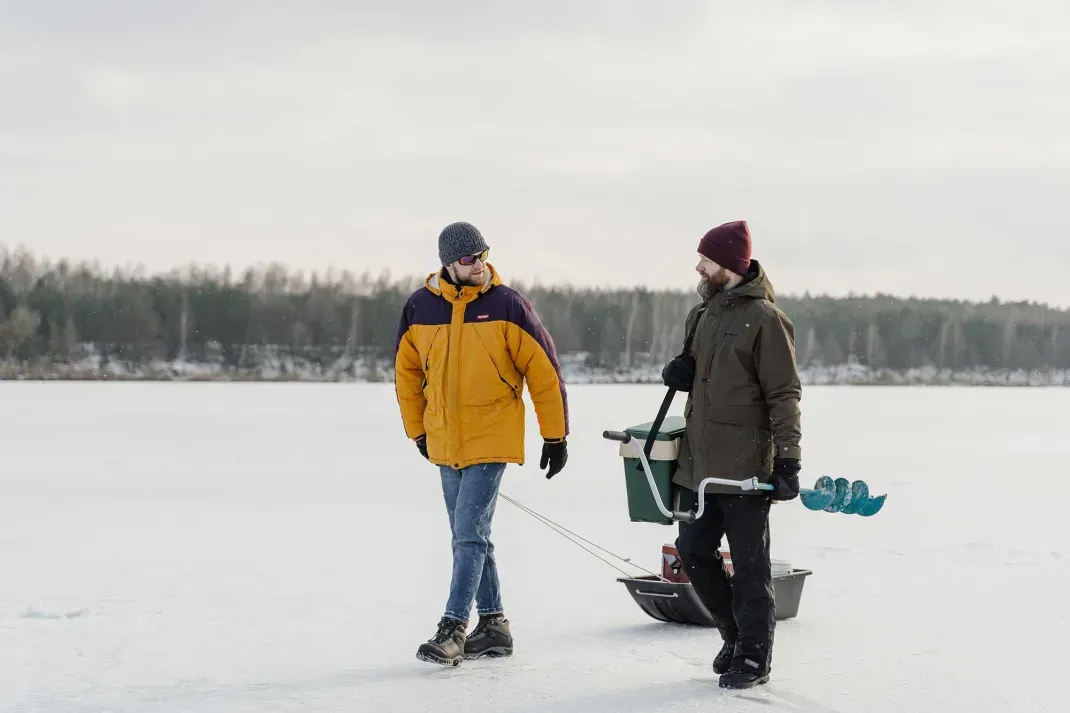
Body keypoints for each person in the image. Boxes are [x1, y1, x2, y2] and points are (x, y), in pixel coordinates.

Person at [393, 221, 570, 667]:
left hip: (492, 436)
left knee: (469, 534)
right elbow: (407, 375)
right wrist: (418, 430)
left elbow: (544, 372)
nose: (479, 264)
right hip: (445, 439)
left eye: (483, 254)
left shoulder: (508, 305)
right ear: (448, 263)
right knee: (470, 535)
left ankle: (453, 628)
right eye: (470, 258)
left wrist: (556, 434)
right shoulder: (419, 307)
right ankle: (494, 626)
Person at [661, 219, 802, 690]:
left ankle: (754, 657)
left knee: (750, 566)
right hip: (696, 467)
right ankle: (733, 635)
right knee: (693, 552)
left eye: (705, 259)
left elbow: (784, 395)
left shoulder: (766, 320)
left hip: (745, 468)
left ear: (727, 266)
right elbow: (696, 377)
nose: (697, 265)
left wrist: (788, 460)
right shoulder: (699, 315)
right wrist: (678, 370)